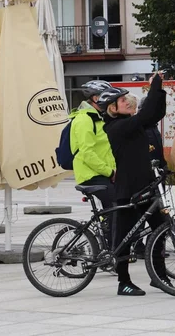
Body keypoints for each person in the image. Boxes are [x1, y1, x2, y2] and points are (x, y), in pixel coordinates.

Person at [102, 72, 168, 296]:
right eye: (122, 101)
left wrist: (159, 90)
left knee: (161, 228)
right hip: (128, 190)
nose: (128, 102)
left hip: (145, 187)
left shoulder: (132, 123)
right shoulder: (116, 127)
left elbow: (155, 113)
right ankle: (124, 282)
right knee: (125, 238)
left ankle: (159, 276)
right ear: (112, 108)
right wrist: (154, 85)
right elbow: (145, 114)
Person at [70, 80, 117, 210]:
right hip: (91, 175)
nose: (111, 101)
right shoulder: (85, 119)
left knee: (121, 205)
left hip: (101, 173)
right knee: (117, 204)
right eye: (107, 97)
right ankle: (111, 230)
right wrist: (110, 172)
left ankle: (107, 228)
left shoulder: (99, 118)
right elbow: (87, 152)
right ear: (96, 98)